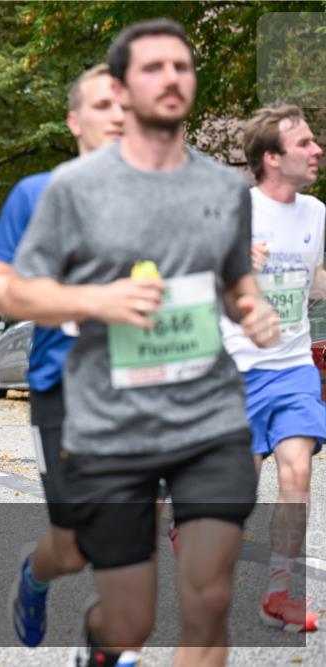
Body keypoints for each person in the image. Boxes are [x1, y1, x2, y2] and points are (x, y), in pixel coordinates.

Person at [6, 19, 281, 666]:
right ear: (124, 89)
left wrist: (251, 308)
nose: (170, 79)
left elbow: (234, 283)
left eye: (181, 66)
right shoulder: (70, 189)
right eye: (152, 68)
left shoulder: (222, 188)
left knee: (210, 593)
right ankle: (99, 646)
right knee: (129, 618)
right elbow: (10, 293)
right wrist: (95, 301)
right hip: (109, 419)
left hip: (208, 416)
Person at [0, 63, 125, 650]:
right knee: (75, 544)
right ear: (74, 121)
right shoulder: (37, 194)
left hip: (149, 390)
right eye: (103, 105)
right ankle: (35, 577)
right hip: (63, 391)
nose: (118, 115)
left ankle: (109, 646)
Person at [219, 105, 323, 633]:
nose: (317, 150)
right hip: (236, 370)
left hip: (293, 367)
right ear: (272, 159)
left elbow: (315, 280)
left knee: (297, 472)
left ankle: (279, 594)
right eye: (304, 143)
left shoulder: (317, 213)